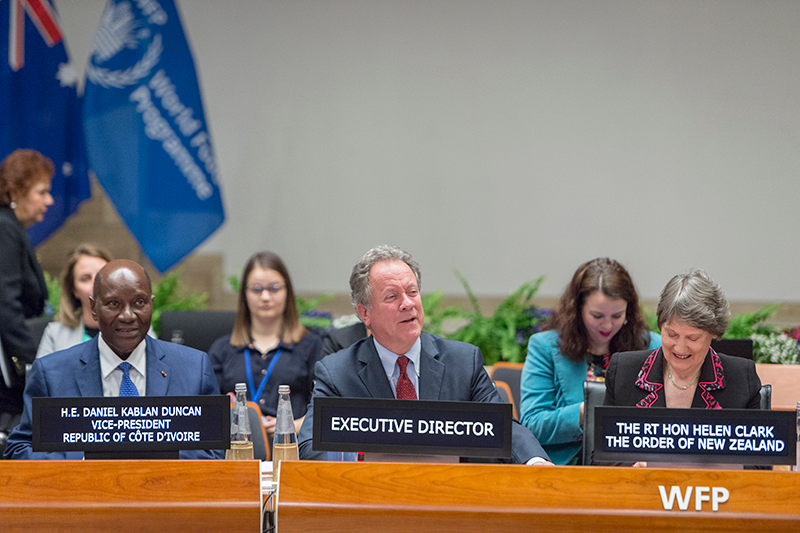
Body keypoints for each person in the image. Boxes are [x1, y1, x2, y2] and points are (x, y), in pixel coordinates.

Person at [298, 245, 551, 464]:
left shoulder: (463, 362)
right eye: (392, 296)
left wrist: (535, 461)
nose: (407, 303)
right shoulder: (338, 373)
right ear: (365, 314)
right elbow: (310, 447)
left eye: (412, 292)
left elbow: (503, 429)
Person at [3, 259, 223, 459]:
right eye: (113, 304)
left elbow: (215, 451)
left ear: (151, 304)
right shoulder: (51, 373)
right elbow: (20, 449)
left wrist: (155, 463)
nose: (127, 316)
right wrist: (84, 464)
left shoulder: (194, 368)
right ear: (93, 308)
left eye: (139, 302)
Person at [519, 258, 660, 465]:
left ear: (629, 311)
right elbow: (532, 425)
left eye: (617, 315)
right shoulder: (545, 347)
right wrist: (586, 412)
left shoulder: (652, 347)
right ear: (578, 310)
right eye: (597, 315)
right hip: (568, 470)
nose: (607, 324)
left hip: (632, 467)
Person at [604, 269, 761, 410]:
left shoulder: (742, 379)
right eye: (671, 334)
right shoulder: (623, 372)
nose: (680, 348)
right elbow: (603, 440)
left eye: (693, 338)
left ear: (714, 332)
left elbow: (756, 442)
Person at [208, 252, 321, 437]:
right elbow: (208, 411)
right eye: (257, 289)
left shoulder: (311, 346)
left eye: (274, 288)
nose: (266, 297)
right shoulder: (222, 349)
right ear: (244, 294)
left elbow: (322, 409)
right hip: (237, 450)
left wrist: (295, 425)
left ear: (288, 292)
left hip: (290, 449)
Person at [0, 149, 53, 451]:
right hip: (8, 376)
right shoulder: (5, 228)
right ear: (15, 191)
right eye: (42, 192)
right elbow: (5, 305)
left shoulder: (11, 227)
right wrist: (35, 365)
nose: (50, 200)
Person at [36, 244, 113, 357]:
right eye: (85, 278)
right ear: (74, 290)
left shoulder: (138, 330)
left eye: (103, 274)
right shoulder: (55, 335)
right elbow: (40, 374)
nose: (97, 283)